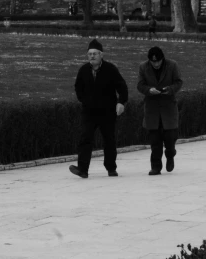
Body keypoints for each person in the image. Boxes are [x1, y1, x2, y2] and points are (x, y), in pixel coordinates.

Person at [70, 38, 128, 179]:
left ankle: (111, 168)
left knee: (109, 139)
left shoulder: (110, 69)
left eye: (95, 53)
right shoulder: (83, 70)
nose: (92, 56)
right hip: (89, 112)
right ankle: (83, 169)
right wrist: (84, 100)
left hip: (107, 112)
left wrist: (121, 102)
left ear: (101, 55)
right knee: (85, 138)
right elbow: (78, 88)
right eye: (89, 54)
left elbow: (122, 87)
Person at [137, 46, 183, 175]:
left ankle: (170, 154)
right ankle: (156, 167)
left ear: (162, 59)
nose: (156, 64)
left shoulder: (172, 65)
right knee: (155, 140)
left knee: (170, 137)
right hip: (152, 108)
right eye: (153, 62)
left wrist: (170, 89)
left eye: (158, 61)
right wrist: (148, 90)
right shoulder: (143, 67)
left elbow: (178, 82)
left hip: (168, 106)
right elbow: (140, 85)